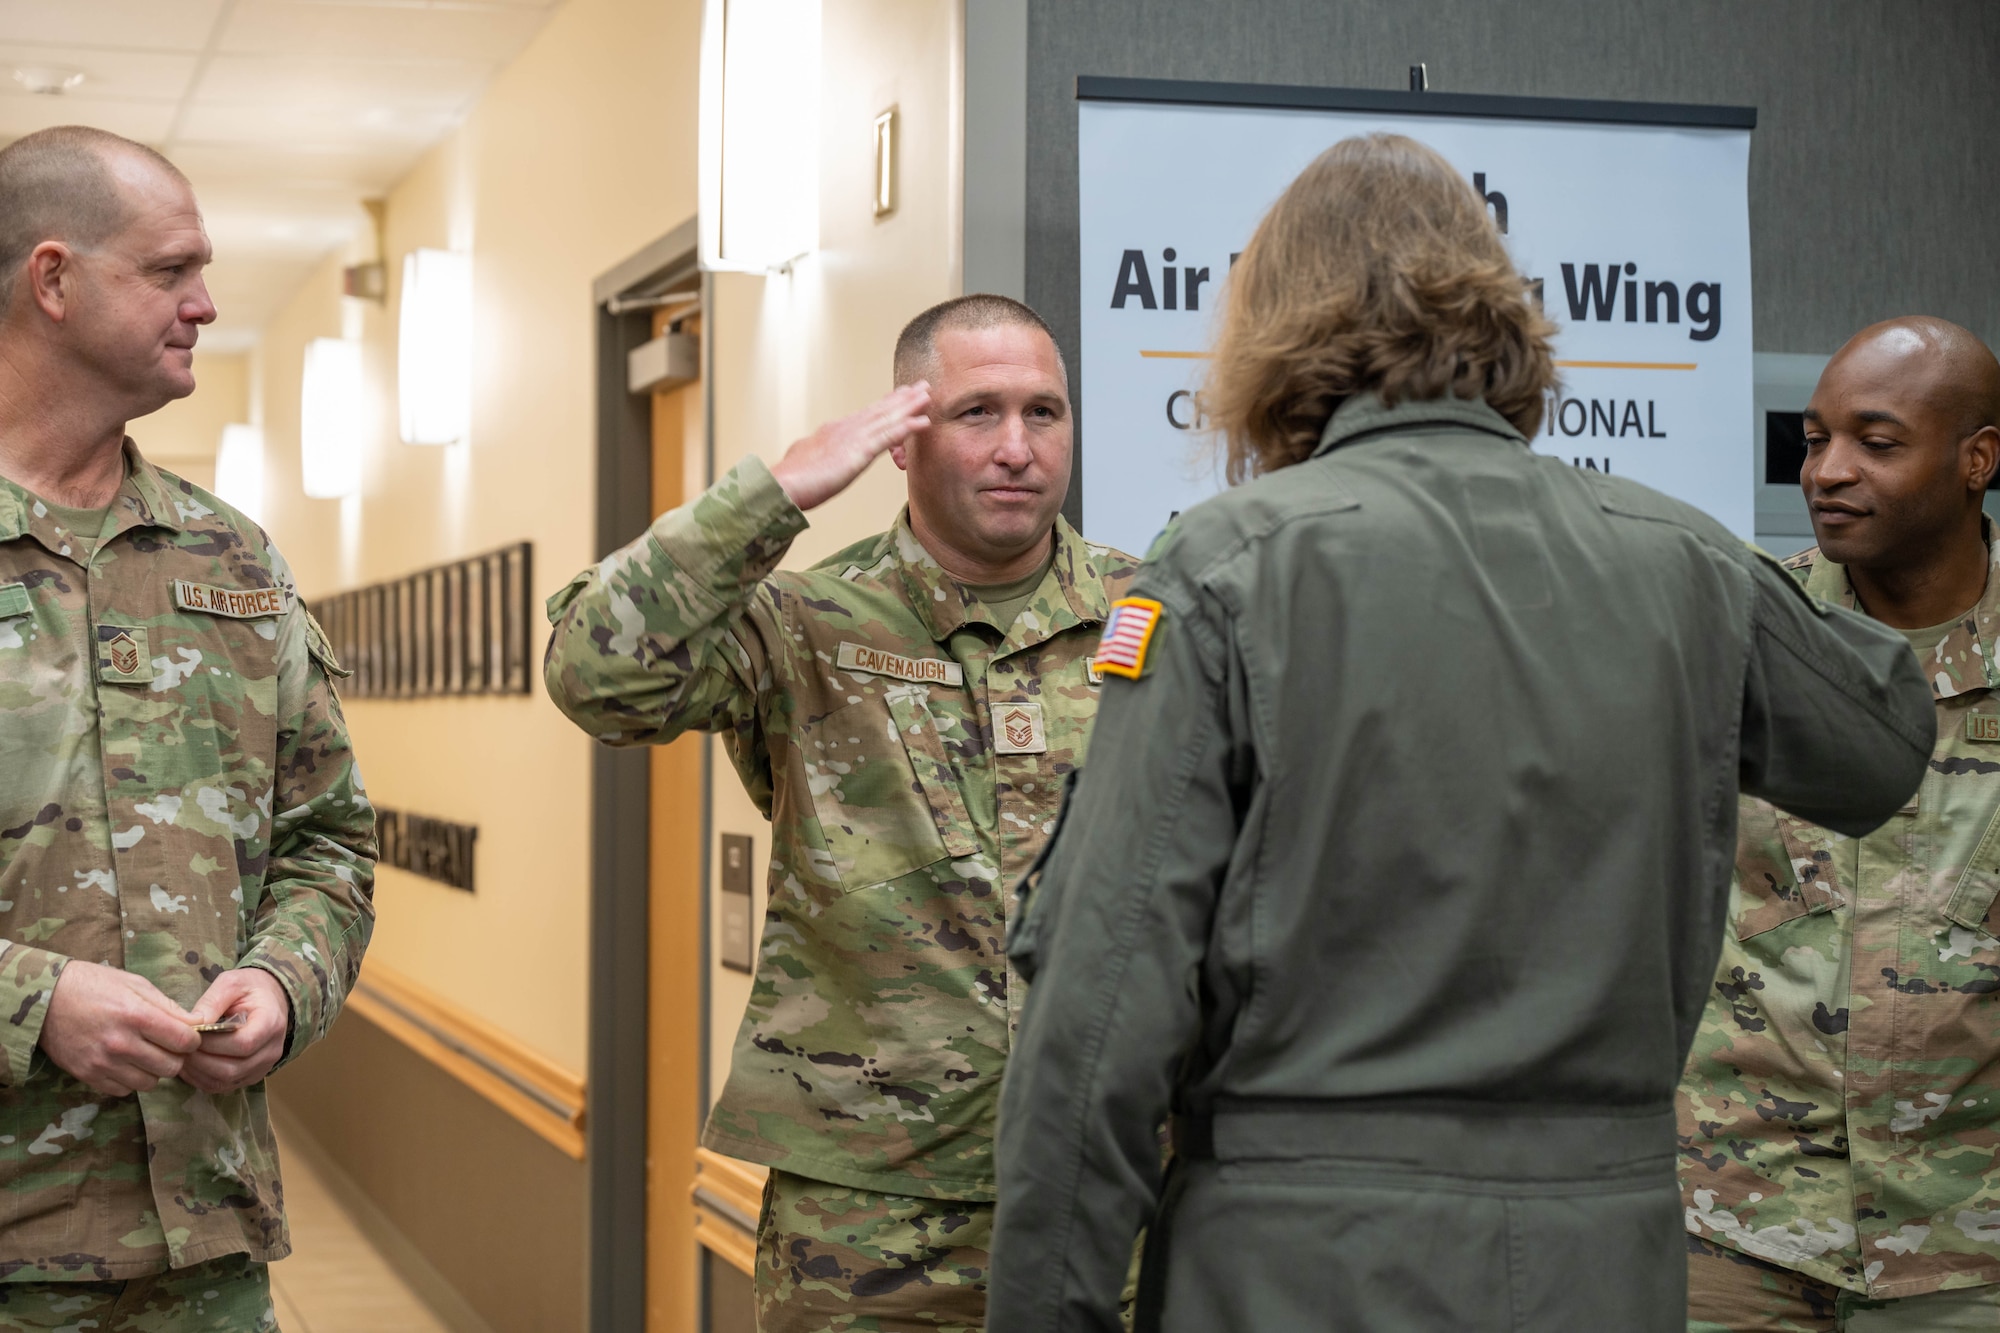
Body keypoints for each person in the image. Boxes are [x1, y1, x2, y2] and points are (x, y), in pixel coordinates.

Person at [983, 133, 1937, 1333]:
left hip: (1296, 1263)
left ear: (1270, 331)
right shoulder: (1684, 561)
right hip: (1605, 1262)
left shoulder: (1227, 566)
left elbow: (1101, 1000)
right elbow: (1881, 747)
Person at [545, 294, 1138, 1331]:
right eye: (976, 414)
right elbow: (595, 674)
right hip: (869, 1212)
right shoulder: (803, 623)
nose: (1015, 448)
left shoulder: (1154, 614)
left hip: (1113, 1184)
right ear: (906, 437)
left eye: (1043, 413)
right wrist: (766, 498)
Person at [0, 126, 375, 1327]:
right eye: (170, 271)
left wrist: (283, 982)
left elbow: (329, 842)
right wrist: (31, 998)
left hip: (201, 1248)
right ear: (52, 282)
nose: (206, 304)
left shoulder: (232, 559)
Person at [1680, 318, 2000, 1330]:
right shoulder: (1742, 637)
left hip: (1964, 1241)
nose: (1826, 471)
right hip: (1736, 1216)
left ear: (1973, 461)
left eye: (1875, 440)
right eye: (1813, 440)